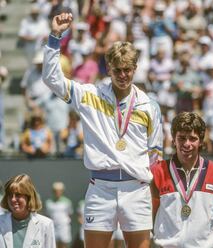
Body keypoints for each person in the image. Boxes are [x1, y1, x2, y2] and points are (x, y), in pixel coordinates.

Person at [42, 12, 163, 248]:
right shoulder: (89, 95)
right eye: (117, 69)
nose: (122, 75)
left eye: (127, 69)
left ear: (135, 68)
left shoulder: (150, 106)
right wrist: (55, 36)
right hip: (100, 188)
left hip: (136, 189)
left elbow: (155, 156)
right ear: (108, 68)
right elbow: (51, 79)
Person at [151, 112, 213, 247]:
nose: (187, 144)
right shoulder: (158, 171)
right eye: (181, 138)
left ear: (201, 141)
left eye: (192, 139)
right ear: (173, 140)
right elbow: (150, 216)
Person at [0, 174, 56, 248]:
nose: (13, 199)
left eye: (18, 195)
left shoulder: (46, 224)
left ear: (29, 197)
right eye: (10, 195)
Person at [45, 182, 73, 248]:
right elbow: (47, 215)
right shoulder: (48, 202)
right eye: (55, 191)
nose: (57, 192)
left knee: (64, 244)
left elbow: (69, 214)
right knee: (53, 244)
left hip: (64, 227)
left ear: (62, 191)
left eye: (59, 191)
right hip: (53, 227)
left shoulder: (67, 202)